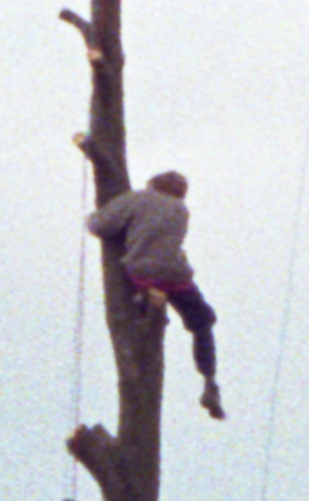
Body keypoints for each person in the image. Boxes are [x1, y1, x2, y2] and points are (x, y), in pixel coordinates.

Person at [96, 166, 224, 417]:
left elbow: (101, 225)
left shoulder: (138, 199)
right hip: (176, 275)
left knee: (146, 324)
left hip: (142, 274)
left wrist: (91, 218)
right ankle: (209, 380)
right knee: (203, 321)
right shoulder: (181, 210)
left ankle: (147, 329)